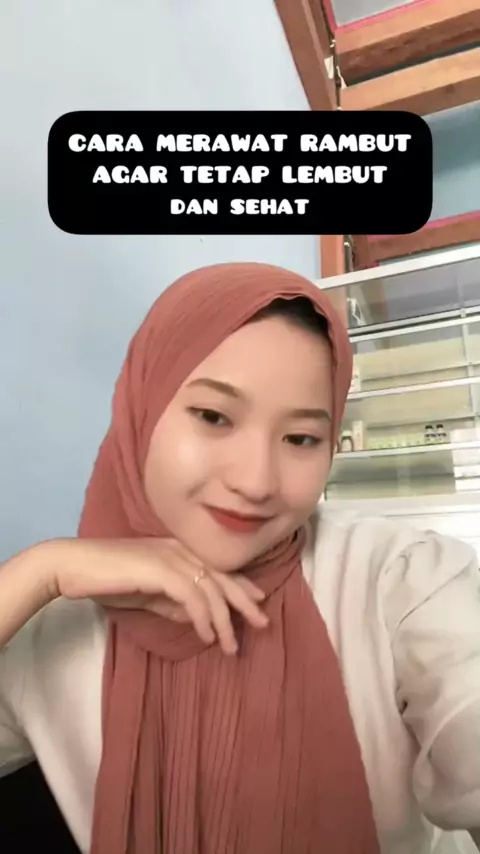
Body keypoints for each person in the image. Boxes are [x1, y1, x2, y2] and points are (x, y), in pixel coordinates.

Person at [0, 262, 479, 854]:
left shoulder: (400, 581)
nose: (256, 482)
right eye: (213, 417)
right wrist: (39, 572)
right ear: (141, 407)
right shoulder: (53, 631)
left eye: (300, 438)